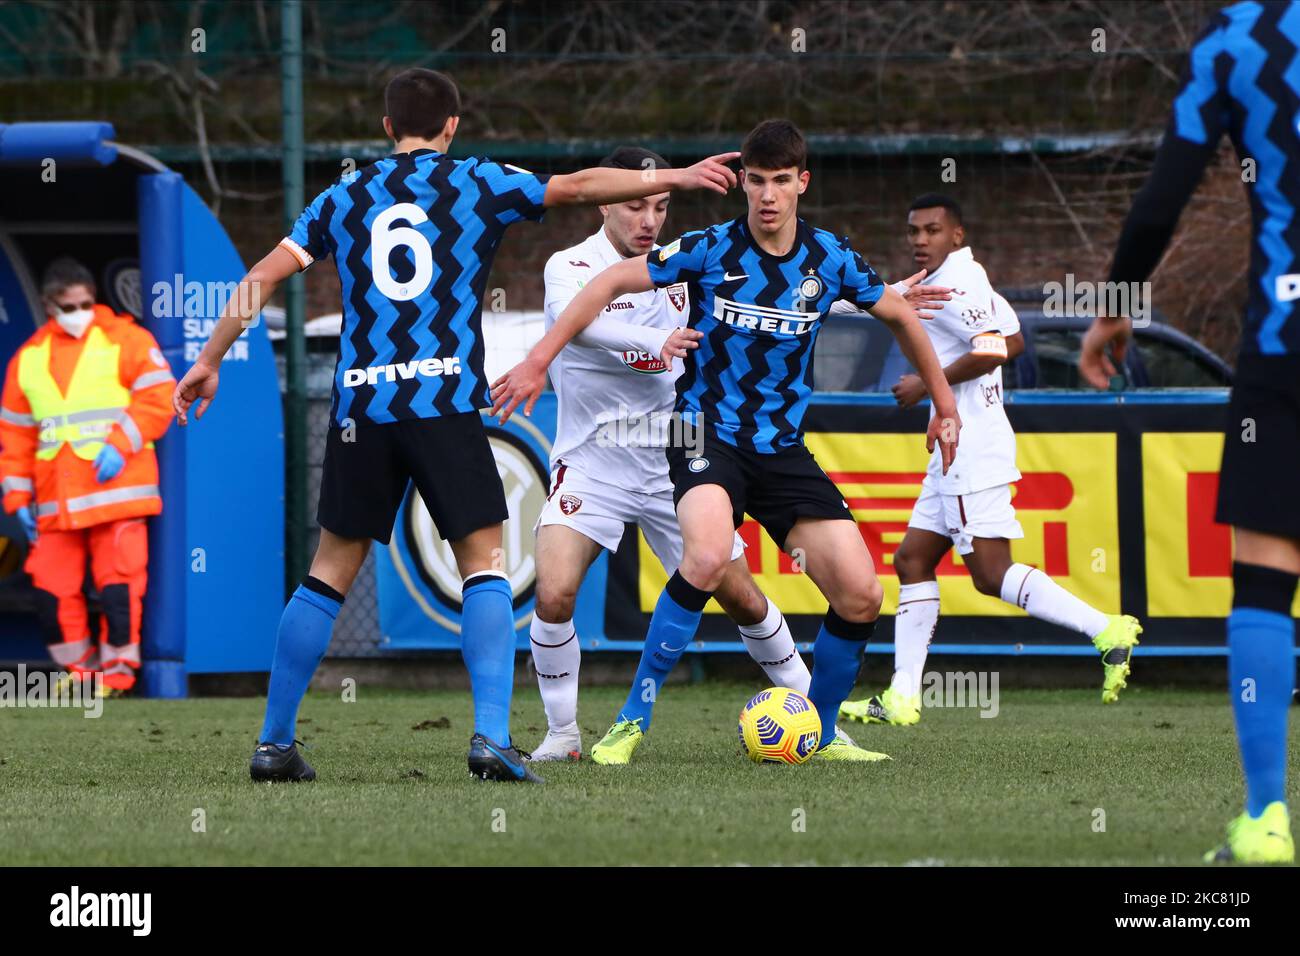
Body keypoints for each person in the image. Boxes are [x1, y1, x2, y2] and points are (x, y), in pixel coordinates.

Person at [172, 67, 737, 785]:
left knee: (326, 573)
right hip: (442, 402)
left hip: (363, 409)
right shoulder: (478, 180)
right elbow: (574, 187)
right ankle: (490, 738)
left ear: (385, 128)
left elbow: (262, 276)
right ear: (452, 126)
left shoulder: (343, 194)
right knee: (484, 565)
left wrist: (210, 357)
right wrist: (679, 177)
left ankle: (274, 743)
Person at [491, 119, 960, 764]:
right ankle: (597, 727)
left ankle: (819, 730)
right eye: (757, 181)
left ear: (802, 183)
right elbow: (593, 312)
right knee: (567, 589)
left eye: (660, 204)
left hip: (742, 448)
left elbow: (836, 300)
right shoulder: (650, 257)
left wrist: (942, 396)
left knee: (850, 593)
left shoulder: (825, 257)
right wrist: (547, 358)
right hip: (652, 445)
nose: (768, 195)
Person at [529, 145, 839, 761]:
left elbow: (780, 289)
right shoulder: (569, 265)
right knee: (554, 592)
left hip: (680, 456)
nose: (649, 220)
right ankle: (563, 733)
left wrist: (877, 298)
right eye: (636, 205)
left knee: (742, 596)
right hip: (594, 459)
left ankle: (821, 727)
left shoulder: (683, 263)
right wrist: (656, 337)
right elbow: (579, 320)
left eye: (662, 206)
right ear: (604, 202)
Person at [1078, 1, 1298, 863]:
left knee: (1266, 581)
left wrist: (1114, 305)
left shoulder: (1236, 39)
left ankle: (1268, 819)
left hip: (1285, 346)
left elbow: (1160, 201)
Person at [838, 194, 1142, 728]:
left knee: (990, 574)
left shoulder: (957, 284)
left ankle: (1107, 630)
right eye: (913, 232)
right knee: (912, 560)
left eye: (932, 230)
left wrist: (926, 385)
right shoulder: (966, 274)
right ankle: (903, 697)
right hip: (959, 443)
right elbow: (1017, 338)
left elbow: (996, 349)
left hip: (969, 448)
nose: (920, 241)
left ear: (956, 234)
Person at [0, 257, 174, 696]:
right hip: (56, 500)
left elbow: (158, 398)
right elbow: (15, 437)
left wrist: (119, 445)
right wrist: (17, 500)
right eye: (67, 305)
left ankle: (116, 676)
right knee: (51, 592)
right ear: (48, 304)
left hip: (116, 490)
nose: (77, 312)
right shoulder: (29, 359)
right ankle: (81, 674)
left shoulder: (127, 340)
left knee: (118, 588)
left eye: (84, 302)